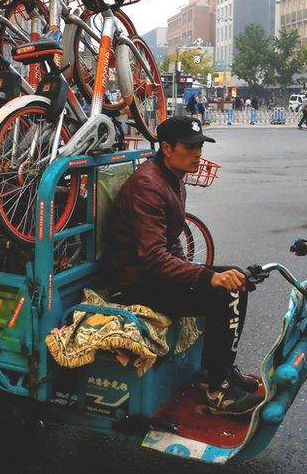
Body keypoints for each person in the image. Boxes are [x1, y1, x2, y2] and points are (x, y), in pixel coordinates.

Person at [106, 116, 262, 415]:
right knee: (220, 293)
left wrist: (204, 274)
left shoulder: (172, 178)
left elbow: (172, 241)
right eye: (190, 147)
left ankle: (218, 370)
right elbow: (152, 257)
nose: (198, 153)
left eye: (200, 146)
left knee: (237, 281)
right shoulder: (148, 186)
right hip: (135, 283)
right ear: (166, 148)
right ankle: (218, 389)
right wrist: (206, 277)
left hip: (154, 274)